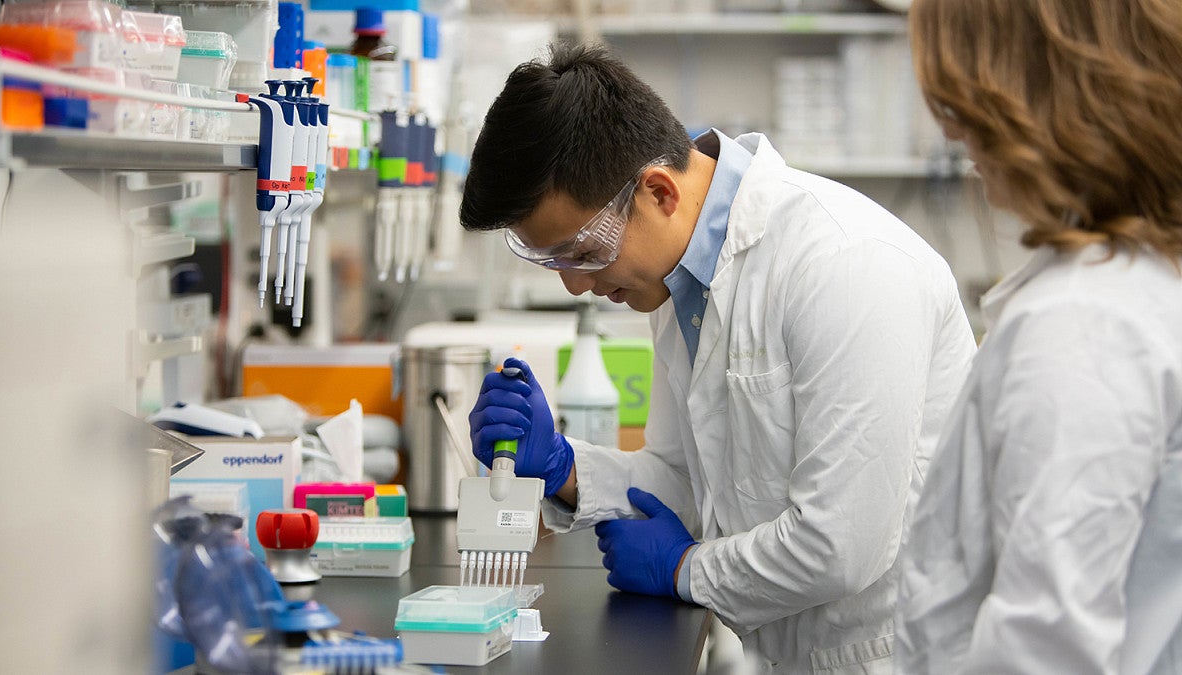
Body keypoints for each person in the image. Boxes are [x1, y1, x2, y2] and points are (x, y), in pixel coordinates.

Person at [461, 42, 977, 674]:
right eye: (553, 261)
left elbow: (842, 545)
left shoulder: (843, 264)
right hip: (790, 652)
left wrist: (683, 569)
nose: (575, 284)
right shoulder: (678, 282)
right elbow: (693, 487)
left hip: (899, 656)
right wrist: (566, 468)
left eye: (582, 251)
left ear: (658, 193)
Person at [896, 1, 1182, 673]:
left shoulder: (1086, 323)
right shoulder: (1139, 278)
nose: (961, 140)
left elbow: (1045, 650)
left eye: (965, 107)